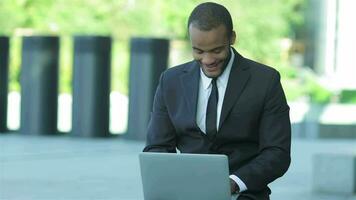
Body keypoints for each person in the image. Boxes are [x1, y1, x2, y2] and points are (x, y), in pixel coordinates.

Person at [143, 2, 291, 200]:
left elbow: (277, 153)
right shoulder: (170, 81)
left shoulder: (265, 81)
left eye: (216, 50)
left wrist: (232, 183)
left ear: (232, 38)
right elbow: (157, 147)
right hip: (186, 193)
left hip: (244, 194)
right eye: (199, 51)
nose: (207, 60)